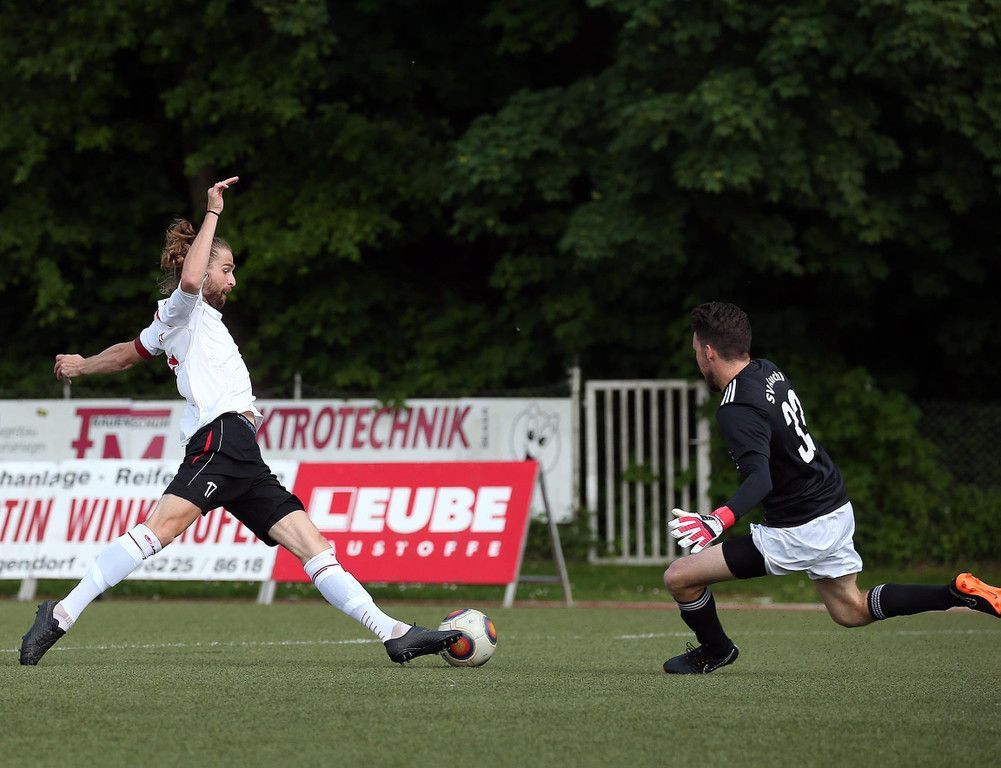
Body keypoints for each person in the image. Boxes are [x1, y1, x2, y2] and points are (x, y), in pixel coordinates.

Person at [20, 177, 461, 666]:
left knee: (313, 546)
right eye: (226, 269)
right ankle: (61, 613)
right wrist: (212, 212)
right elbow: (190, 284)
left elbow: (128, 353)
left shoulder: (178, 322)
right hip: (221, 438)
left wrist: (83, 365)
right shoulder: (185, 306)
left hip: (242, 454)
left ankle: (393, 633)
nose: (233, 281)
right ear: (202, 264)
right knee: (158, 530)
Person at [662, 301, 1000, 674]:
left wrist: (717, 520)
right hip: (834, 506)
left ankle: (716, 651)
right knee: (851, 610)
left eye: (696, 351)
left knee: (679, 578)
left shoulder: (735, 407)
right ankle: (957, 592)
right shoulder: (767, 371)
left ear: (709, 351)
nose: (698, 359)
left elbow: (761, 479)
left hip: (799, 529)